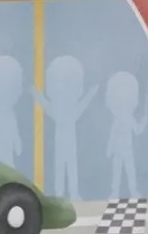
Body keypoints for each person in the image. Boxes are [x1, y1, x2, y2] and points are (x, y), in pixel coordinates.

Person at [31, 56, 98, 201]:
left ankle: (72, 193)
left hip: (68, 142)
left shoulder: (67, 110)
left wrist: (91, 93)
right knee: (61, 167)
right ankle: (61, 193)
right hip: (61, 142)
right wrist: (35, 92)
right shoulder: (60, 110)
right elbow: (44, 103)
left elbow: (82, 104)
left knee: (70, 167)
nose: (63, 89)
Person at [105, 72, 147, 198]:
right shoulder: (119, 119)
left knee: (129, 170)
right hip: (118, 150)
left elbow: (137, 130)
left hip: (127, 150)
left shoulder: (128, 118)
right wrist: (109, 149)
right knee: (117, 171)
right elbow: (113, 135)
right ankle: (115, 192)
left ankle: (132, 191)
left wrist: (144, 123)